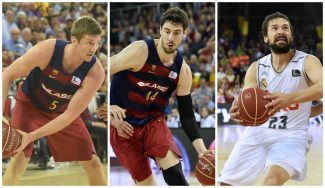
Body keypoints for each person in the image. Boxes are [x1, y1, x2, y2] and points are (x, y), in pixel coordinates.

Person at [110, 7, 212, 185]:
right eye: (167, 31)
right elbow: (100, 71)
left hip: (152, 122)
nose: (171, 38)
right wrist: (108, 107)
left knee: (176, 175)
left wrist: (202, 150)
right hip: (123, 125)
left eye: (176, 33)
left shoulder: (183, 71)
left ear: (184, 34)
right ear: (160, 30)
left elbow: (187, 116)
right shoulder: (139, 51)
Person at [219, 12, 323, 186]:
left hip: (292, 135)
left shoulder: (307, 61)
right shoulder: (256, 68)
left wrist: (289, 99)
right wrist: (239, 113)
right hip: (258, 132)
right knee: (226, 184)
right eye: (274, 28)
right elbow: (247, 102)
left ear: (290, 34)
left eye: (285, 28)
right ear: (266, 38)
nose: (281, 31)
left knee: (271, 181)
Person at [2, 16, 107, 185]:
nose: (94, 48)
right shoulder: (48, 50)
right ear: (74, 40)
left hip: (61, 113)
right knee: (20, 157)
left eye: (97, 43)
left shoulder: (95, 72)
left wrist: (31, 136)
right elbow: (6, 75)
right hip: (29, 104)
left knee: (93, 163)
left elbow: (70, 115)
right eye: (89, 42)